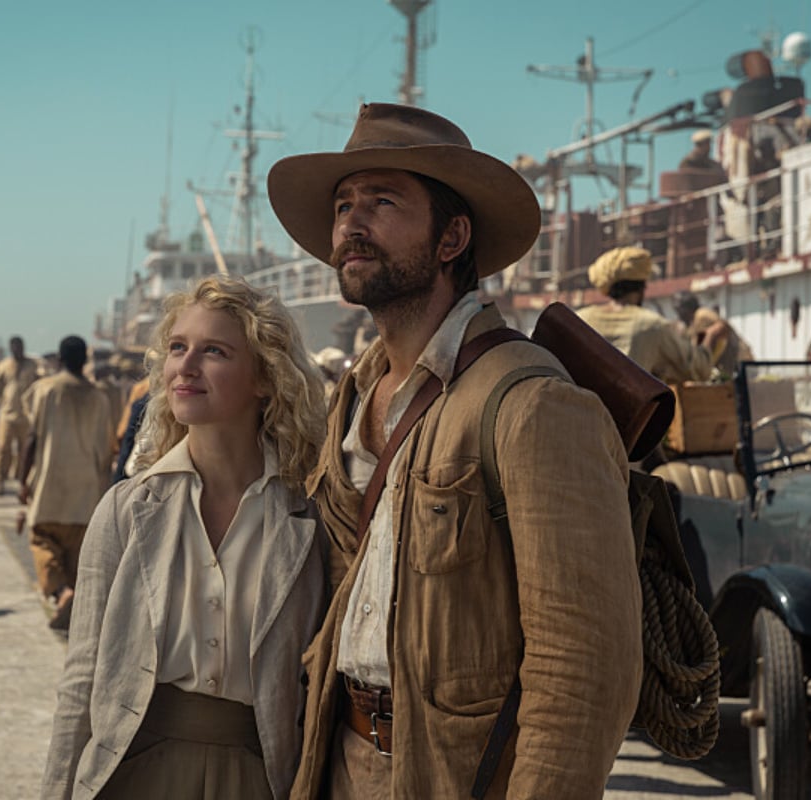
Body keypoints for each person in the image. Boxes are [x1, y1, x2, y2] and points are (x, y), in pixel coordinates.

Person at [266, 102, 642, 798]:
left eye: (383, 201)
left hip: (453, 775)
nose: (352, 221)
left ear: (452, 238)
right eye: (344, 203)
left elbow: (583, 669)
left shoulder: (530, 405)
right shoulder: (351, 395)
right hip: (338, 759)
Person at [41, 275, 328, 800]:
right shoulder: (126, 509)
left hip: (262, 780)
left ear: (265, 379)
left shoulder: (310, 518)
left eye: (214, 351)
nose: (186, 367)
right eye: (178, 348)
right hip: (133, 773)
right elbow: (81, 678)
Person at [15, 335, 116, 630]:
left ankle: (61, 593)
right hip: (86, 490)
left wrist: (22, 479)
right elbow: (105, 447)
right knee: (76, 555)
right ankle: (70, 606)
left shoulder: (44, 390)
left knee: (42, 542)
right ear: (85, 361)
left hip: (50, 484)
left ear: (58, 359)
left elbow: (32, 438)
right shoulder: (99, 397)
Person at [577, 246, 727, 385]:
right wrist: (711, 337)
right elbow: (699, 369)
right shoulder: (651, 325)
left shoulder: (580, 320)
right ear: (642, 288)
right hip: (625, 414)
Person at [0, 335, 38, 494]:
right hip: (7, 414)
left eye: (20, 347)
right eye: (14, 347)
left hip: (26, 415)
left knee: (25, 450)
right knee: (3, 448)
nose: (17, 350)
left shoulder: (33, 366)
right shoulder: (4, 366)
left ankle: (23, 482)